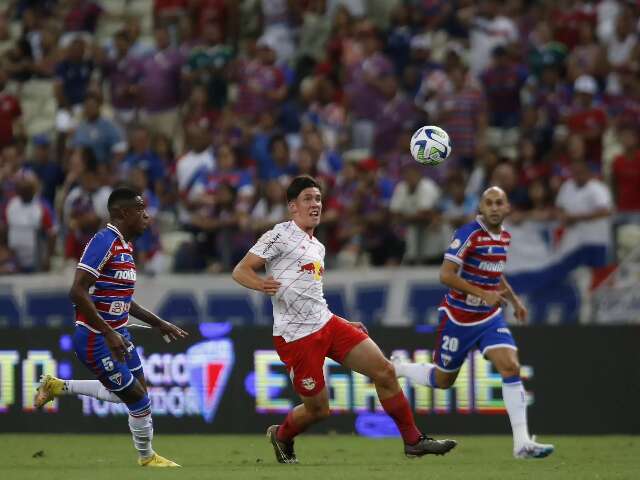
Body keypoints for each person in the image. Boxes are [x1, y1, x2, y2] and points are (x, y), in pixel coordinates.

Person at [231, 175, 457, 464]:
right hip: (296, 336)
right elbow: (241, 270)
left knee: (385, 372)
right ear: (292, 206)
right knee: (318, 410)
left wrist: (342, 321)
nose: (315, 204)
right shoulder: (280, 234)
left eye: (318, 199)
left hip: (327, 324)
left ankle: (413, 441)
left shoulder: (317, 247)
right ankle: (283, 435)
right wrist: (261, 284)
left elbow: (312, 296)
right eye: (307, 199)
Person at [392, 186, 555, 460]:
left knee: (511, 366)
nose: (493, 207)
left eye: (498, 203)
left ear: (507, 208)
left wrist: (515, 301)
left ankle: (522, 443)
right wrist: (483, 294)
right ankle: (399, 368)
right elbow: (445, 274)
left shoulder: (504, 237)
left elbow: (495, 273)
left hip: (489, 318)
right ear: (481, 208)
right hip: (458, 317)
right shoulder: (469, 234)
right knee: (443, 380)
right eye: (488, 203)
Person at [34, 187, 188, 467]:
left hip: (119, 334)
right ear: (123, 213)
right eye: (141, 210)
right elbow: (77, 291)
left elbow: (123, 300)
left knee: (135, 392)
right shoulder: (104, 241)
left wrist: (159, 323)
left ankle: (58, 387)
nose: (147, 215)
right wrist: (108, 332)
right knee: (138, 400)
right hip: (95, 339)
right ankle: (147, 457)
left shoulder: (125, 247)